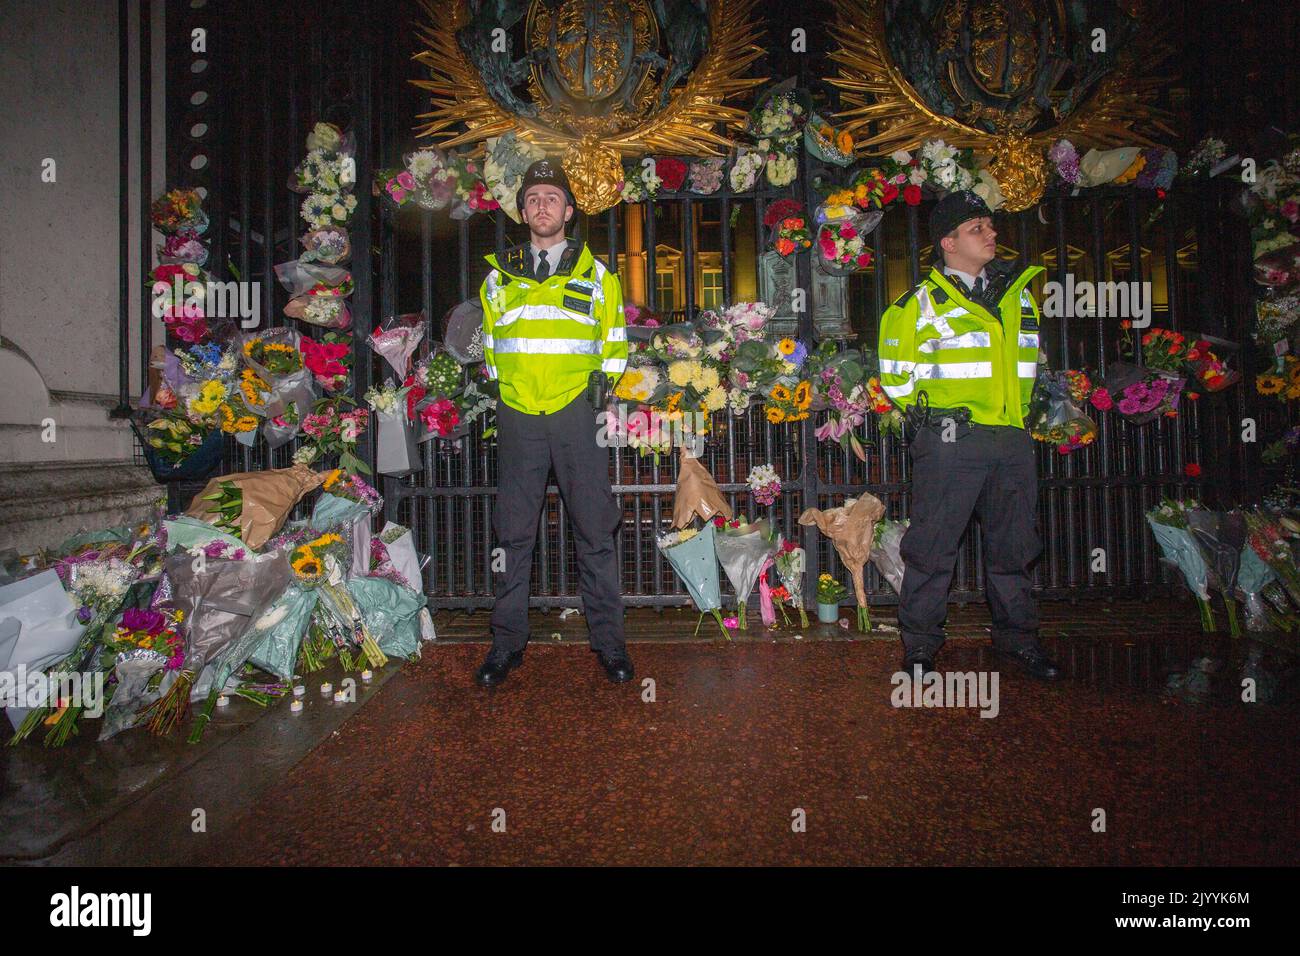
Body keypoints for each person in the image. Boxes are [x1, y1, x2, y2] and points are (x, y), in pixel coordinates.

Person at [876, 190, 1061, 680]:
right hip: (951, 438)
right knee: (933, 547)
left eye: (990, 226)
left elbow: (1030, 364)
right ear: (949, 242)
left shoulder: (1018, 295)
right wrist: (932, 422)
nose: (992, 234)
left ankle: (1018, 641)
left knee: (1016, 548)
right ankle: (919, 647)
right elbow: (896, 376)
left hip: (1011, 437)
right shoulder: (917, 303)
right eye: (978, 228)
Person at [474, 159, 632, 687]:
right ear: (523, 212)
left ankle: (610, 646)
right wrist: (498, 382)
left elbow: (614, 339)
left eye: (551, 197)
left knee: (595, 530)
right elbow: (492, 342)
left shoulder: (596, 274)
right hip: (519, 415)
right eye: (533, 198)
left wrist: (602, 387)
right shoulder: (500, 276)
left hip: (574, 414)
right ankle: (505, 646)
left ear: (568, 210)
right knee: (512, 534)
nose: (542, 205)